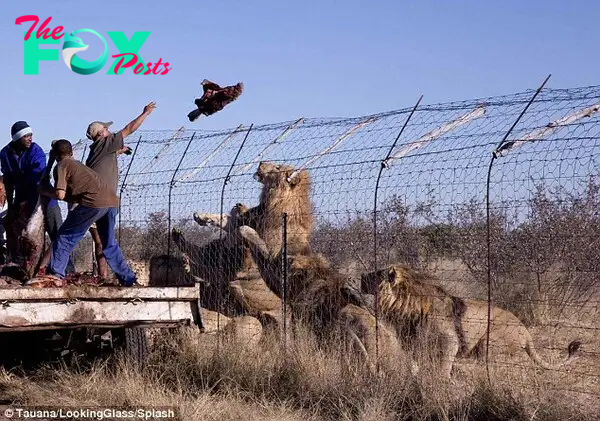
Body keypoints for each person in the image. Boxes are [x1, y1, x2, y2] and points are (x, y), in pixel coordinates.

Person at [37, 139, 137, 286]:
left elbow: (60, 195)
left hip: (93, 203)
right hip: (111, 201)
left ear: (56, 154)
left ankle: (55, 275)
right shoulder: (78, 165)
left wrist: (45, 190)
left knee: (65, 237)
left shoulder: (62, 166)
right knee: (108, 243)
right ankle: (128, 279)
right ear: (71, 152)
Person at [83, 101, 156, 277]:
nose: (109, 131)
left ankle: (121, 277)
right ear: (102, 133)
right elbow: (130, 128)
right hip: (104, 202)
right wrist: (145, 113)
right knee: (104, 242)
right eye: (106, 130)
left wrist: (120, 151)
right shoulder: (106, 143)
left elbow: (106, 157)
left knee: (104, 243)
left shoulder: (96, 150)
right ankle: (123, 277)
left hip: (98, 201)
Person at [0, 121, 74, 272]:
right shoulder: (5, 154)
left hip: (44, 199)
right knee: (24, 239)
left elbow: (37, 177)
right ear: (16, 138)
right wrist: (13, 204)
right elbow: (8, 180)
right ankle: (24, 270)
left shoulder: (36, 151)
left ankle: (68, 270)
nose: (29, 138)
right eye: (26, 136)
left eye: (30, 135)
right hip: (23, 200)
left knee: (57, 235)